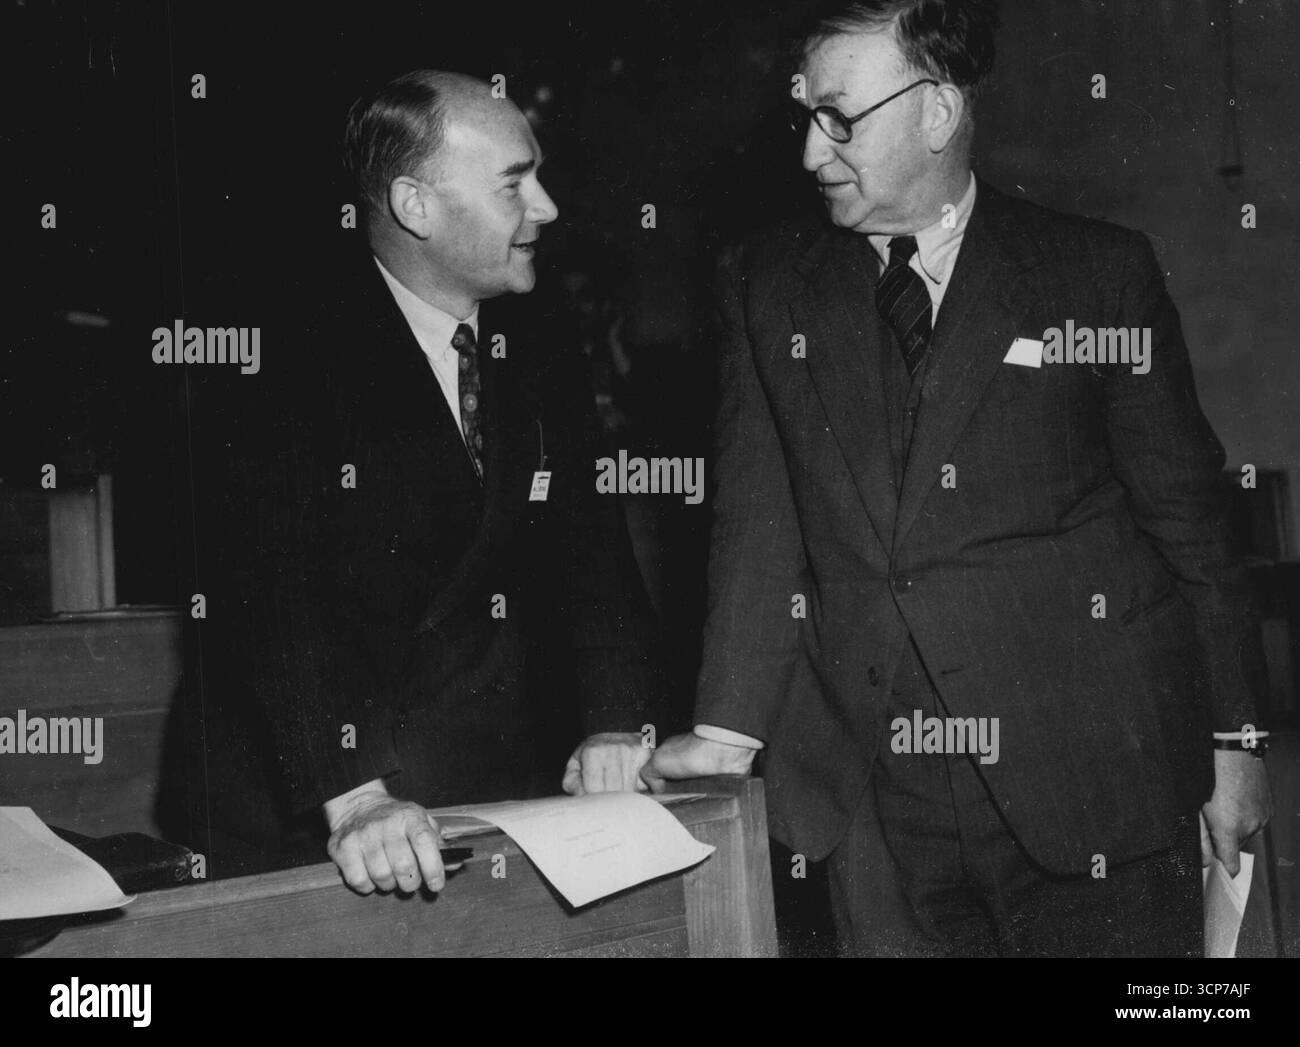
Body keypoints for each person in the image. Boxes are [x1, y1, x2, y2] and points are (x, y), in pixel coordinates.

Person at [644, 0, 1272, 957]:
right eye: (805, 115)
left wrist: (1237, 743)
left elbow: (1193, 527)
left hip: (1095, 770)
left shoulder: (1095, 274)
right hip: (875, 803)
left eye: (841, 118)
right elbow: (756, 527)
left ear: (936, 111)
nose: (813, 152)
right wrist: (725, 730)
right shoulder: (765, 283)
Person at [165, 71, 664, 894]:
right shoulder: (278, 344)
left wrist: (616, 721)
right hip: (310, 802)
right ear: (415, 206)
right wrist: (356, 794)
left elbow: (592, 552)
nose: (546, 207)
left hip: (480, 784)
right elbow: (275, 590)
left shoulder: (537, 332)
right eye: (515, 184)